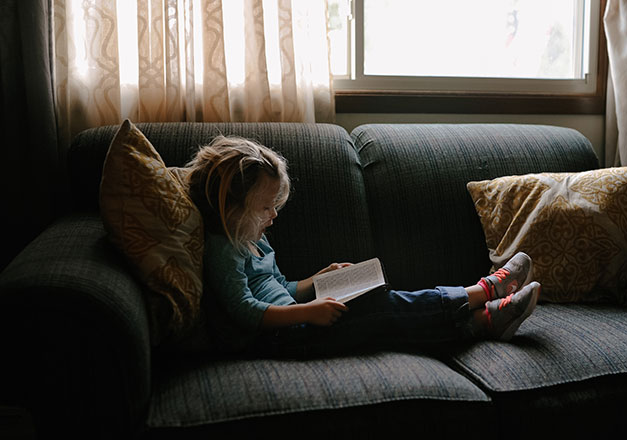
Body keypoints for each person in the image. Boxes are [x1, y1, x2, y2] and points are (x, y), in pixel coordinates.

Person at [185, 135, 540, 357]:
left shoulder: (253, 236)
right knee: (380, 309)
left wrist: (315, 280)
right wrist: (309, 311)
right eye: (264, 207)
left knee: (382, 310)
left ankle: (483, 321)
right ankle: (484, 291)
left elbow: (280, 289)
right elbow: (246, 310)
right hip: (280, 339)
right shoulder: (223, 248)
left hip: (294, 323)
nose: (273, 215)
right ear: (231, 206)